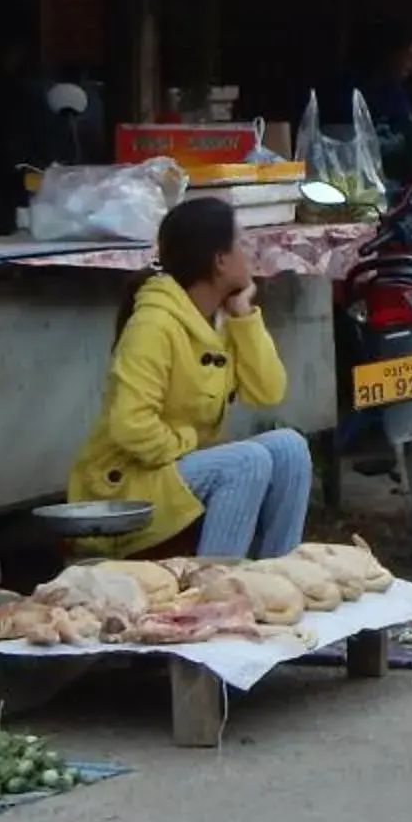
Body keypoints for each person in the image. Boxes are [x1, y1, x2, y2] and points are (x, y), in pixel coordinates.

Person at [68, 196, 310, 561]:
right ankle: (215, 592)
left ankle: (278, 576)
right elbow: (130, 425)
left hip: (174, 470)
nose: (250, 250)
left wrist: (244, 317)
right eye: (241, 243)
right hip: (123, 486)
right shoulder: (154, 324)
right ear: (219, 260)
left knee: (290, 447)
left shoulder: (219, 316)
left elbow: (269, 391)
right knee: (246, 461)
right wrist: (191, 444)